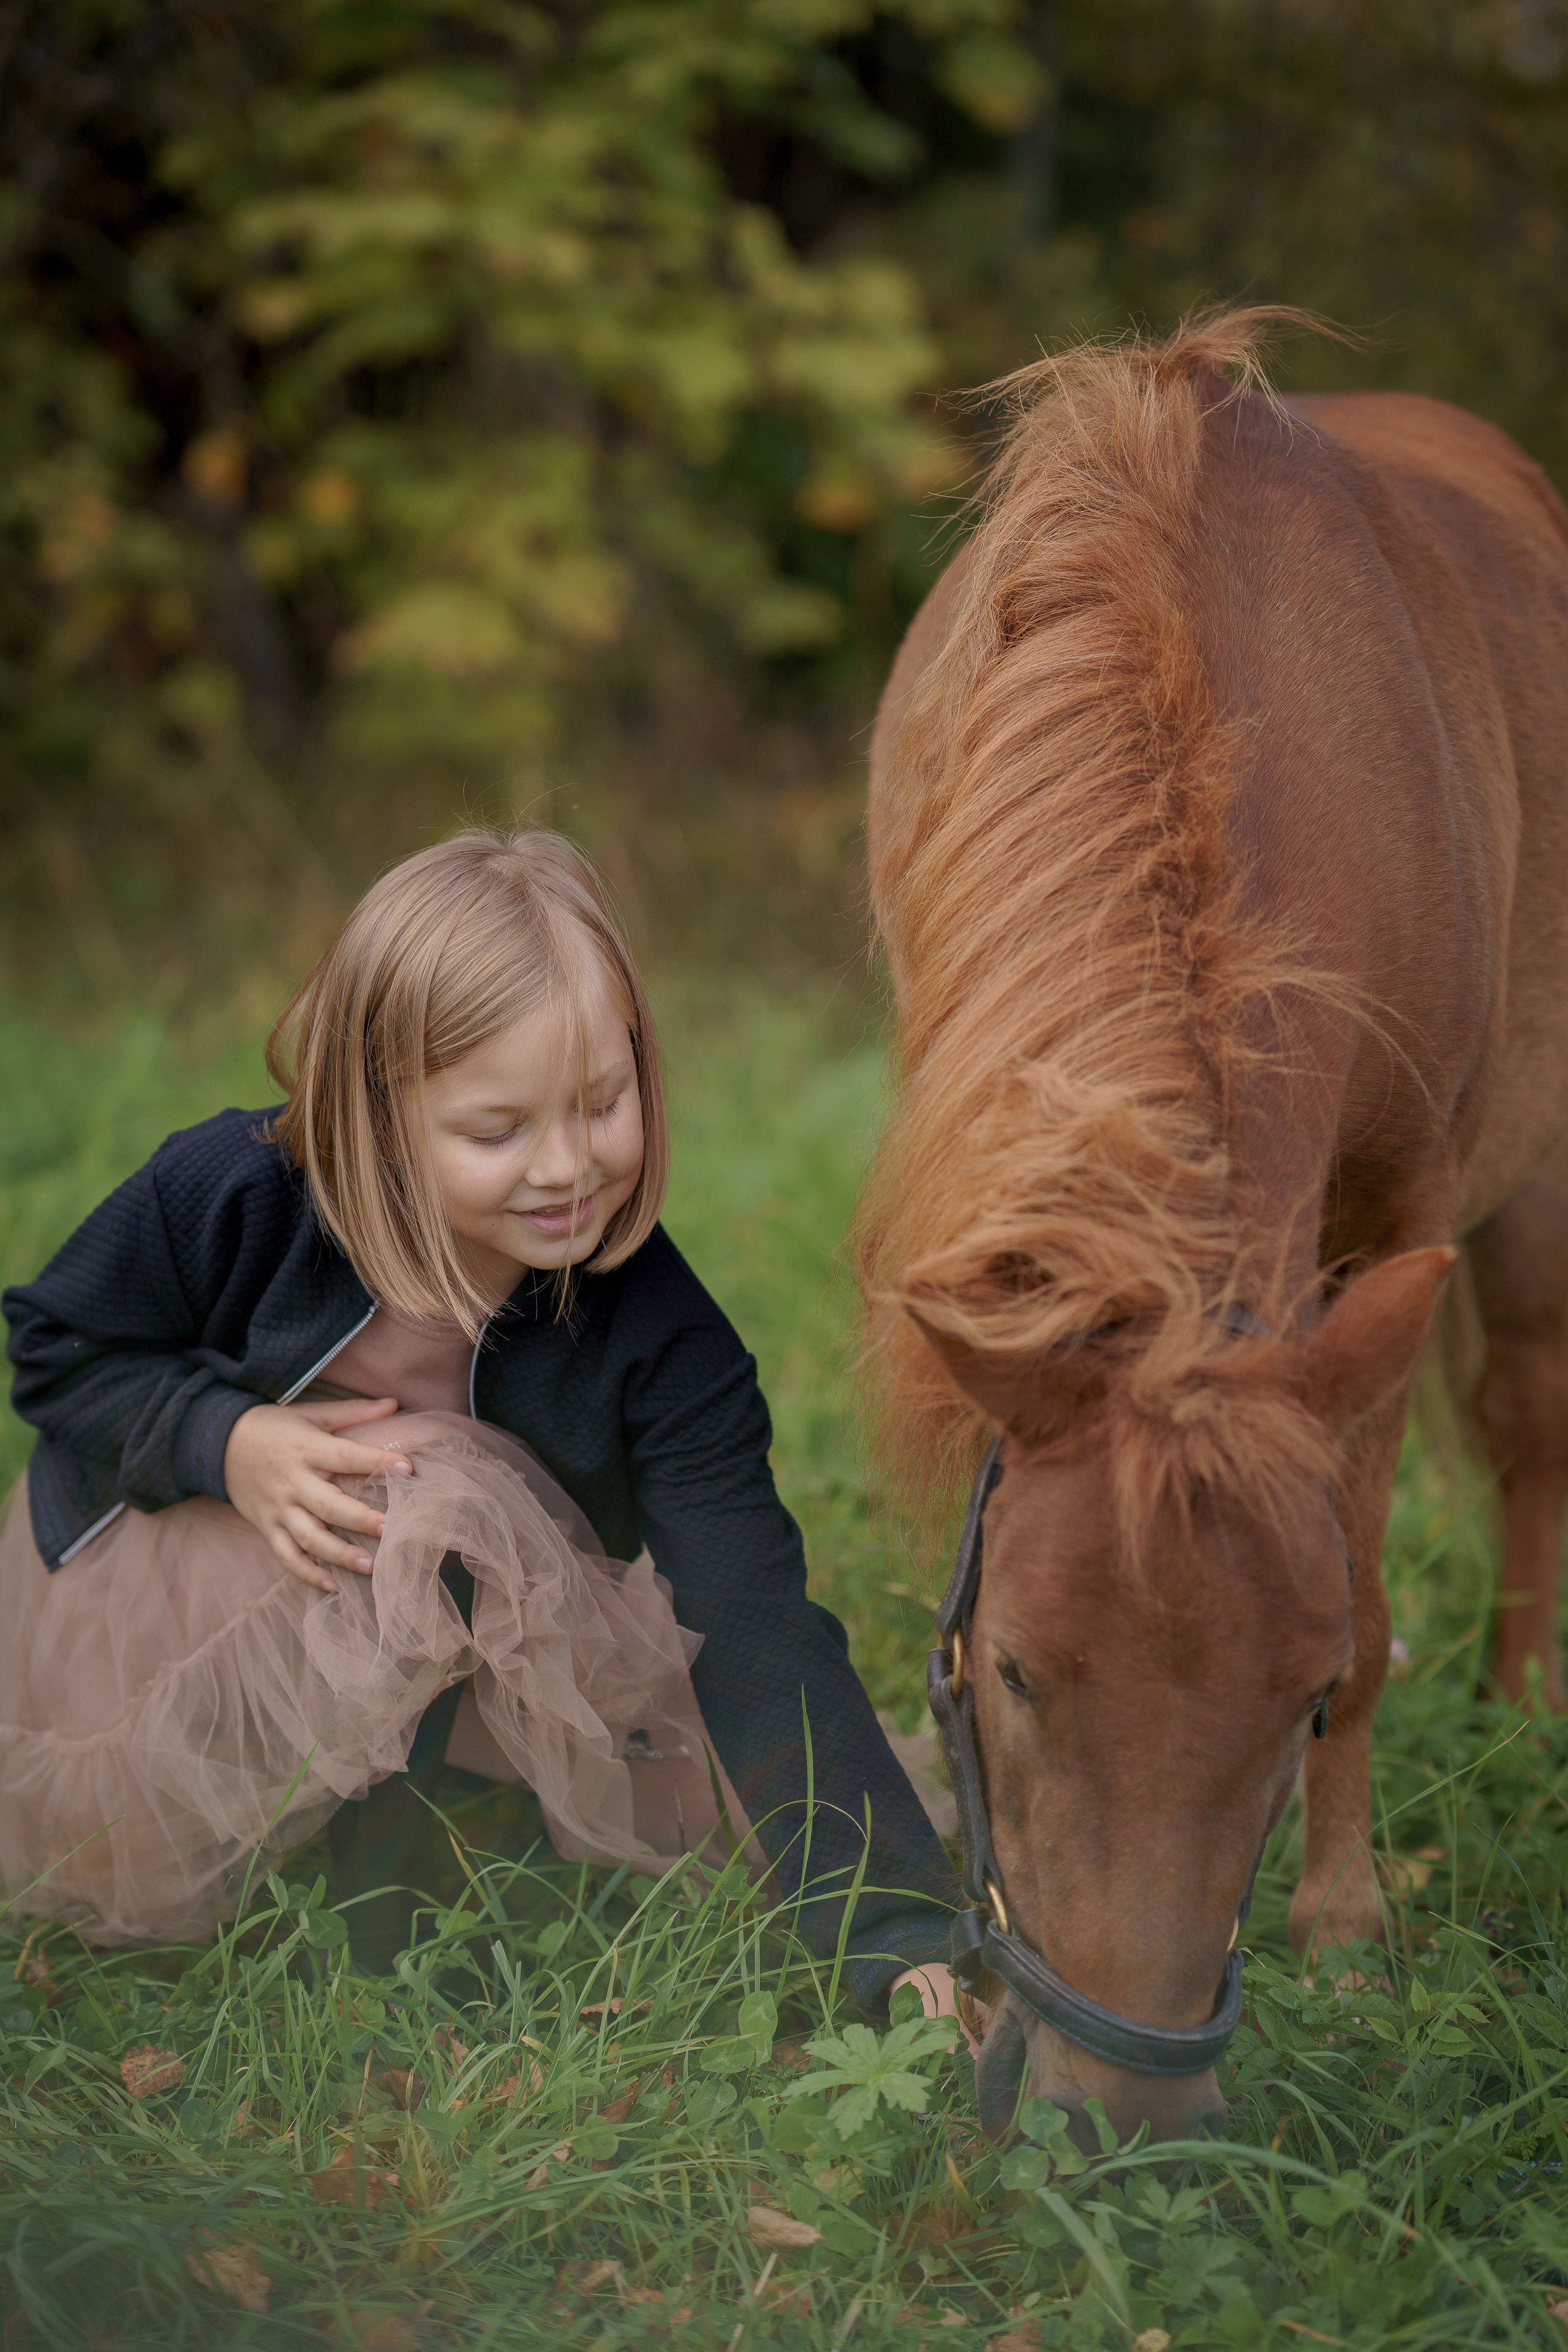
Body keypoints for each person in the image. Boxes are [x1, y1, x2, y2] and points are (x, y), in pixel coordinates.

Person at [1, 829, 962, 2021]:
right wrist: (226, 1442)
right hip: (185, 1593)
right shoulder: (232, 1197)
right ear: (375, 1113)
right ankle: (294, 1831)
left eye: (601, 1104)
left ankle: (428, 1843)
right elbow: (60, 1350)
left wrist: (889, 1923)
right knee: (434, 1482)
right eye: (496, 1131)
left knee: (551, 1614)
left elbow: (749, 1609)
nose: (564, 1168)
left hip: (448, 1642)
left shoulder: (658, 1336)